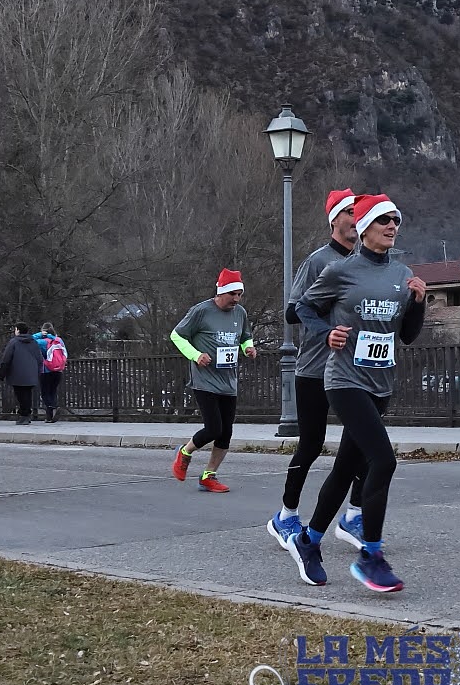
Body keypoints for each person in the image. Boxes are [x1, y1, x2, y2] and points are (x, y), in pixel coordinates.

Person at [288, 193, 427, 592]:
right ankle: (371, 555)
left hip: (380, 382)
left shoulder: (403, 274)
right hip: (344, 380)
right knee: (382, 460)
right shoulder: (338, 271)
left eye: (396, 220)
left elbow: (408, 335)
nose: (392, 226)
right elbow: (303, 309)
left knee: (347, 466)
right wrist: (325, 333)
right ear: (364, 227)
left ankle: (309, 540)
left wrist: (418, 302)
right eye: (384, 220)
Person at [268, 188, 368, 551]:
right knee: (310, 445)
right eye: (350, 212)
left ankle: (354, 516)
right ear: (335, 220)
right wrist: (329, 322)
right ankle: (285, 516)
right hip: (313, 367)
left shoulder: (361, 263)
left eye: (359, 212)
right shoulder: (317, 261)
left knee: (362, 441)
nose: (357, 219)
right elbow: (292, 312)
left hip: (351, 369)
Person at [169, 269, 258, 493]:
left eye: (240, 295)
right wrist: (195, 355)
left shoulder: (240, 313)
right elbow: (177, 335)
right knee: (213, 428)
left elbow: (245, 336)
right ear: (221, 292)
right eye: (233, 294)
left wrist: (248, 348)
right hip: (204, 380)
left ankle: (209, 475)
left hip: (229, 381)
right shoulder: (201, 311)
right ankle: (185, 452)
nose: (236, 299)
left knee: (226, 432)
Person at [0, 322, 44, 424]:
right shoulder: (34, 342)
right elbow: (39, 358)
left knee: (20, 394)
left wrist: (2, 373)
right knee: (28, 393)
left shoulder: (14, 342)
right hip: (31, 373)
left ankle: (23, 415)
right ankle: (27, 414)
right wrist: (38, 371)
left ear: (18, 330)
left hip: (17, 372)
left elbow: (6, 358)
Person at [32, 321, 67, 423]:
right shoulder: (59, 340)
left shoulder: (43, 342)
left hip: (45, 370)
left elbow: (30, 339)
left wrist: (39, 334)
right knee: (52, 391)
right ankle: (50, 415)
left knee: (45, 393)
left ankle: (52, 408)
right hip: (58, 370)